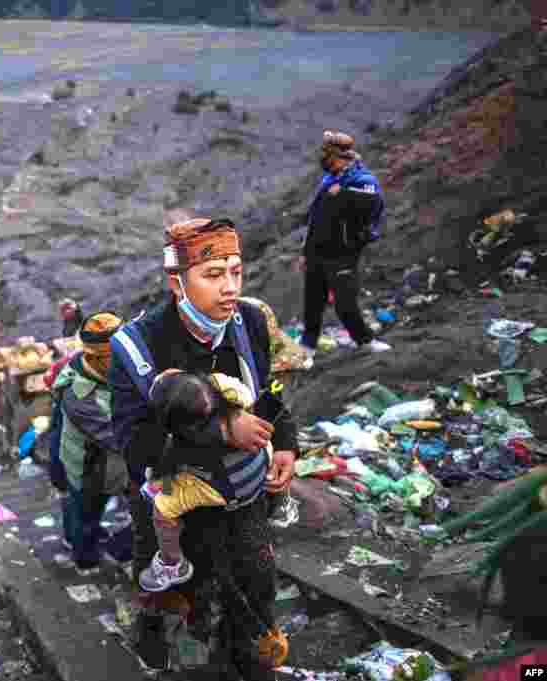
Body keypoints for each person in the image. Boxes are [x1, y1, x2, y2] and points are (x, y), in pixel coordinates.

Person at [109, 217, 297, 676]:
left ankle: (247, 660)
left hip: (244, 496)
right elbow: (135, 446)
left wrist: (287, 442)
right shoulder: (139, 345)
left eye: (236, 271)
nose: (229, 287)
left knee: (254, 590)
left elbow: (266, 394)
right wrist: (220, 433)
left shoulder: (248, 321)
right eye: (213, 275)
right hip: (173, 508)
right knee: (182, 609)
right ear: (177, 282)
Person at [138, 368, 281, 592]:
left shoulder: (184, 447)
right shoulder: (227, 389)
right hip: (261, 458)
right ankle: (282, 500)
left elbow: (166, 464)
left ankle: (172, 563)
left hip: (229, 488)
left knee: (161, 506)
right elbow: (229, 389)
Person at [296, 130, 391, 361]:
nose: (324, 161)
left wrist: (342, 194)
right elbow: (315, 218)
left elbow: (369, 208)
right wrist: (305, 252)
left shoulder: (362, 180)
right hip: (317, 252)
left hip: (343, 253)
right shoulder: (329, 179)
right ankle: (307, 346)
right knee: (313, 302)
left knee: (344, 302)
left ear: (341, 157)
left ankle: (365, 341)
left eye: (328, 156)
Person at [52, 312, 127, 569]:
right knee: (86, 516)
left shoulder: (109, 370)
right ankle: (86, 560)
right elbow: (116, 438)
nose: (123, 360)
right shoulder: (78, 395)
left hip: (106, 462)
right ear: (94, 357)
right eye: (114, 357)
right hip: (87, 466)